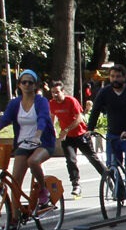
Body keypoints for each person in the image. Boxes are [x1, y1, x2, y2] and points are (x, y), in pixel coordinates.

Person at [1, 69, 56, 213]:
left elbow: (43, 118)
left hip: (43, 142)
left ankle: (43, 190)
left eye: (30, 82)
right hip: (23, 143)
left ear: (35, 85)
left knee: (33, 161)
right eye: (23, 82)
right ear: (19, 85)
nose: (26, 85)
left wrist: (38, 135)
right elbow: (5, 120)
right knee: (15, 181)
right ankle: (13, 215)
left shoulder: (41, 101)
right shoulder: (15, 103)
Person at [48, 78, 109, 196]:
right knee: (71, 160)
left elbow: (79, 118)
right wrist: (52, 130)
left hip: (80, 135)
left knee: (93, 159)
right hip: (67, 138)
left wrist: (66, 129)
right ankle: (76, 184)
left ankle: (108, 178)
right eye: (53, 92)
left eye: (57, 92)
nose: (55, 95)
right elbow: (52, 117)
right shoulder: (52, 103)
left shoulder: (71, 101)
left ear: (63, 91)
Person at [87, 65, 126, 188]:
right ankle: (119, 190)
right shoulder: (104, 92)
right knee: (111, 164)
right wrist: (90, 129)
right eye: (112, 76)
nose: (115, 79)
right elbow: (95, 110)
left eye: (118, 76)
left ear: (124, 77)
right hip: (112, 135)